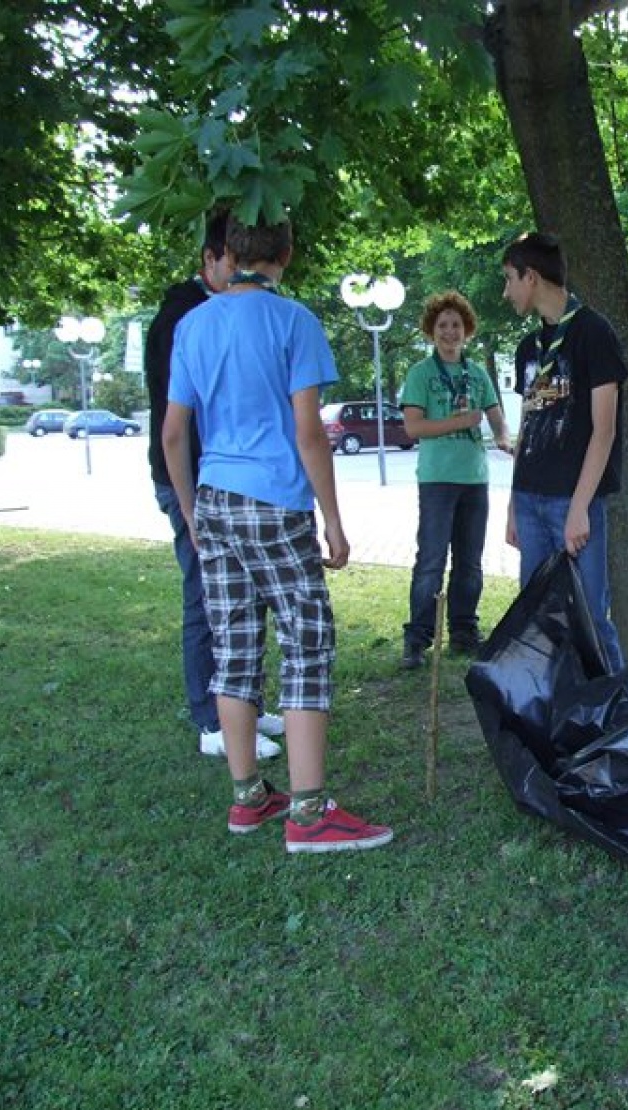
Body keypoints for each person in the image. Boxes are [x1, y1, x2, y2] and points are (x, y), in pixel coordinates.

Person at [164, 212, 392, 853]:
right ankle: (310, 813)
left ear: (229, 251)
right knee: (306, 643)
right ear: (285, 254)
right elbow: (309, 432)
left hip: (215, 501)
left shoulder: (193, 324)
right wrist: (335, 523)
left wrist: (190, 511)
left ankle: (248, 799)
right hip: (276, 504)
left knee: (234, 650)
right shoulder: (295, 321)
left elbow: (174, 433)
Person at [144, 209, 283, 760]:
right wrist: (189, 504)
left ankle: (243, 705)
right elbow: (175, 426)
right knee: (206, 598)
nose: (243, 269)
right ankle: (212, 720)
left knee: (244, 601)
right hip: (195, 485)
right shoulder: (184, 318)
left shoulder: (225, 311)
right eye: (234, 258)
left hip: (229, 483)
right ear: (210, 259)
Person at [500, 231, 628, 672]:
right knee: (537, 620)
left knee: (590, 618)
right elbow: (527, 428)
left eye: (509, 279)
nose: (505, 291)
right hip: (531, 501)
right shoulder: (527, 349)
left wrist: (579, 508)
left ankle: (614, 717)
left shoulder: (594, 333)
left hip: (574, 504)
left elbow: (604, 430)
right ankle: (554, 720)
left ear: (530, 277)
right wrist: (513, 508)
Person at [397, 290, 512, 670]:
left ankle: (464, 631)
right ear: (431, 331)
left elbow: (495, 416)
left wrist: (502, 438)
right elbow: (413, 427)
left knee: (470, 561)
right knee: (430, 560)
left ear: (467, 331)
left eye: (456, 325)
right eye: (442, 325)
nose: (450, 332)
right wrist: (459, 422)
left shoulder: (477, 373)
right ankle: (417, 638)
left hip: (473, 479)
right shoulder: (420, 374)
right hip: (436, 480)